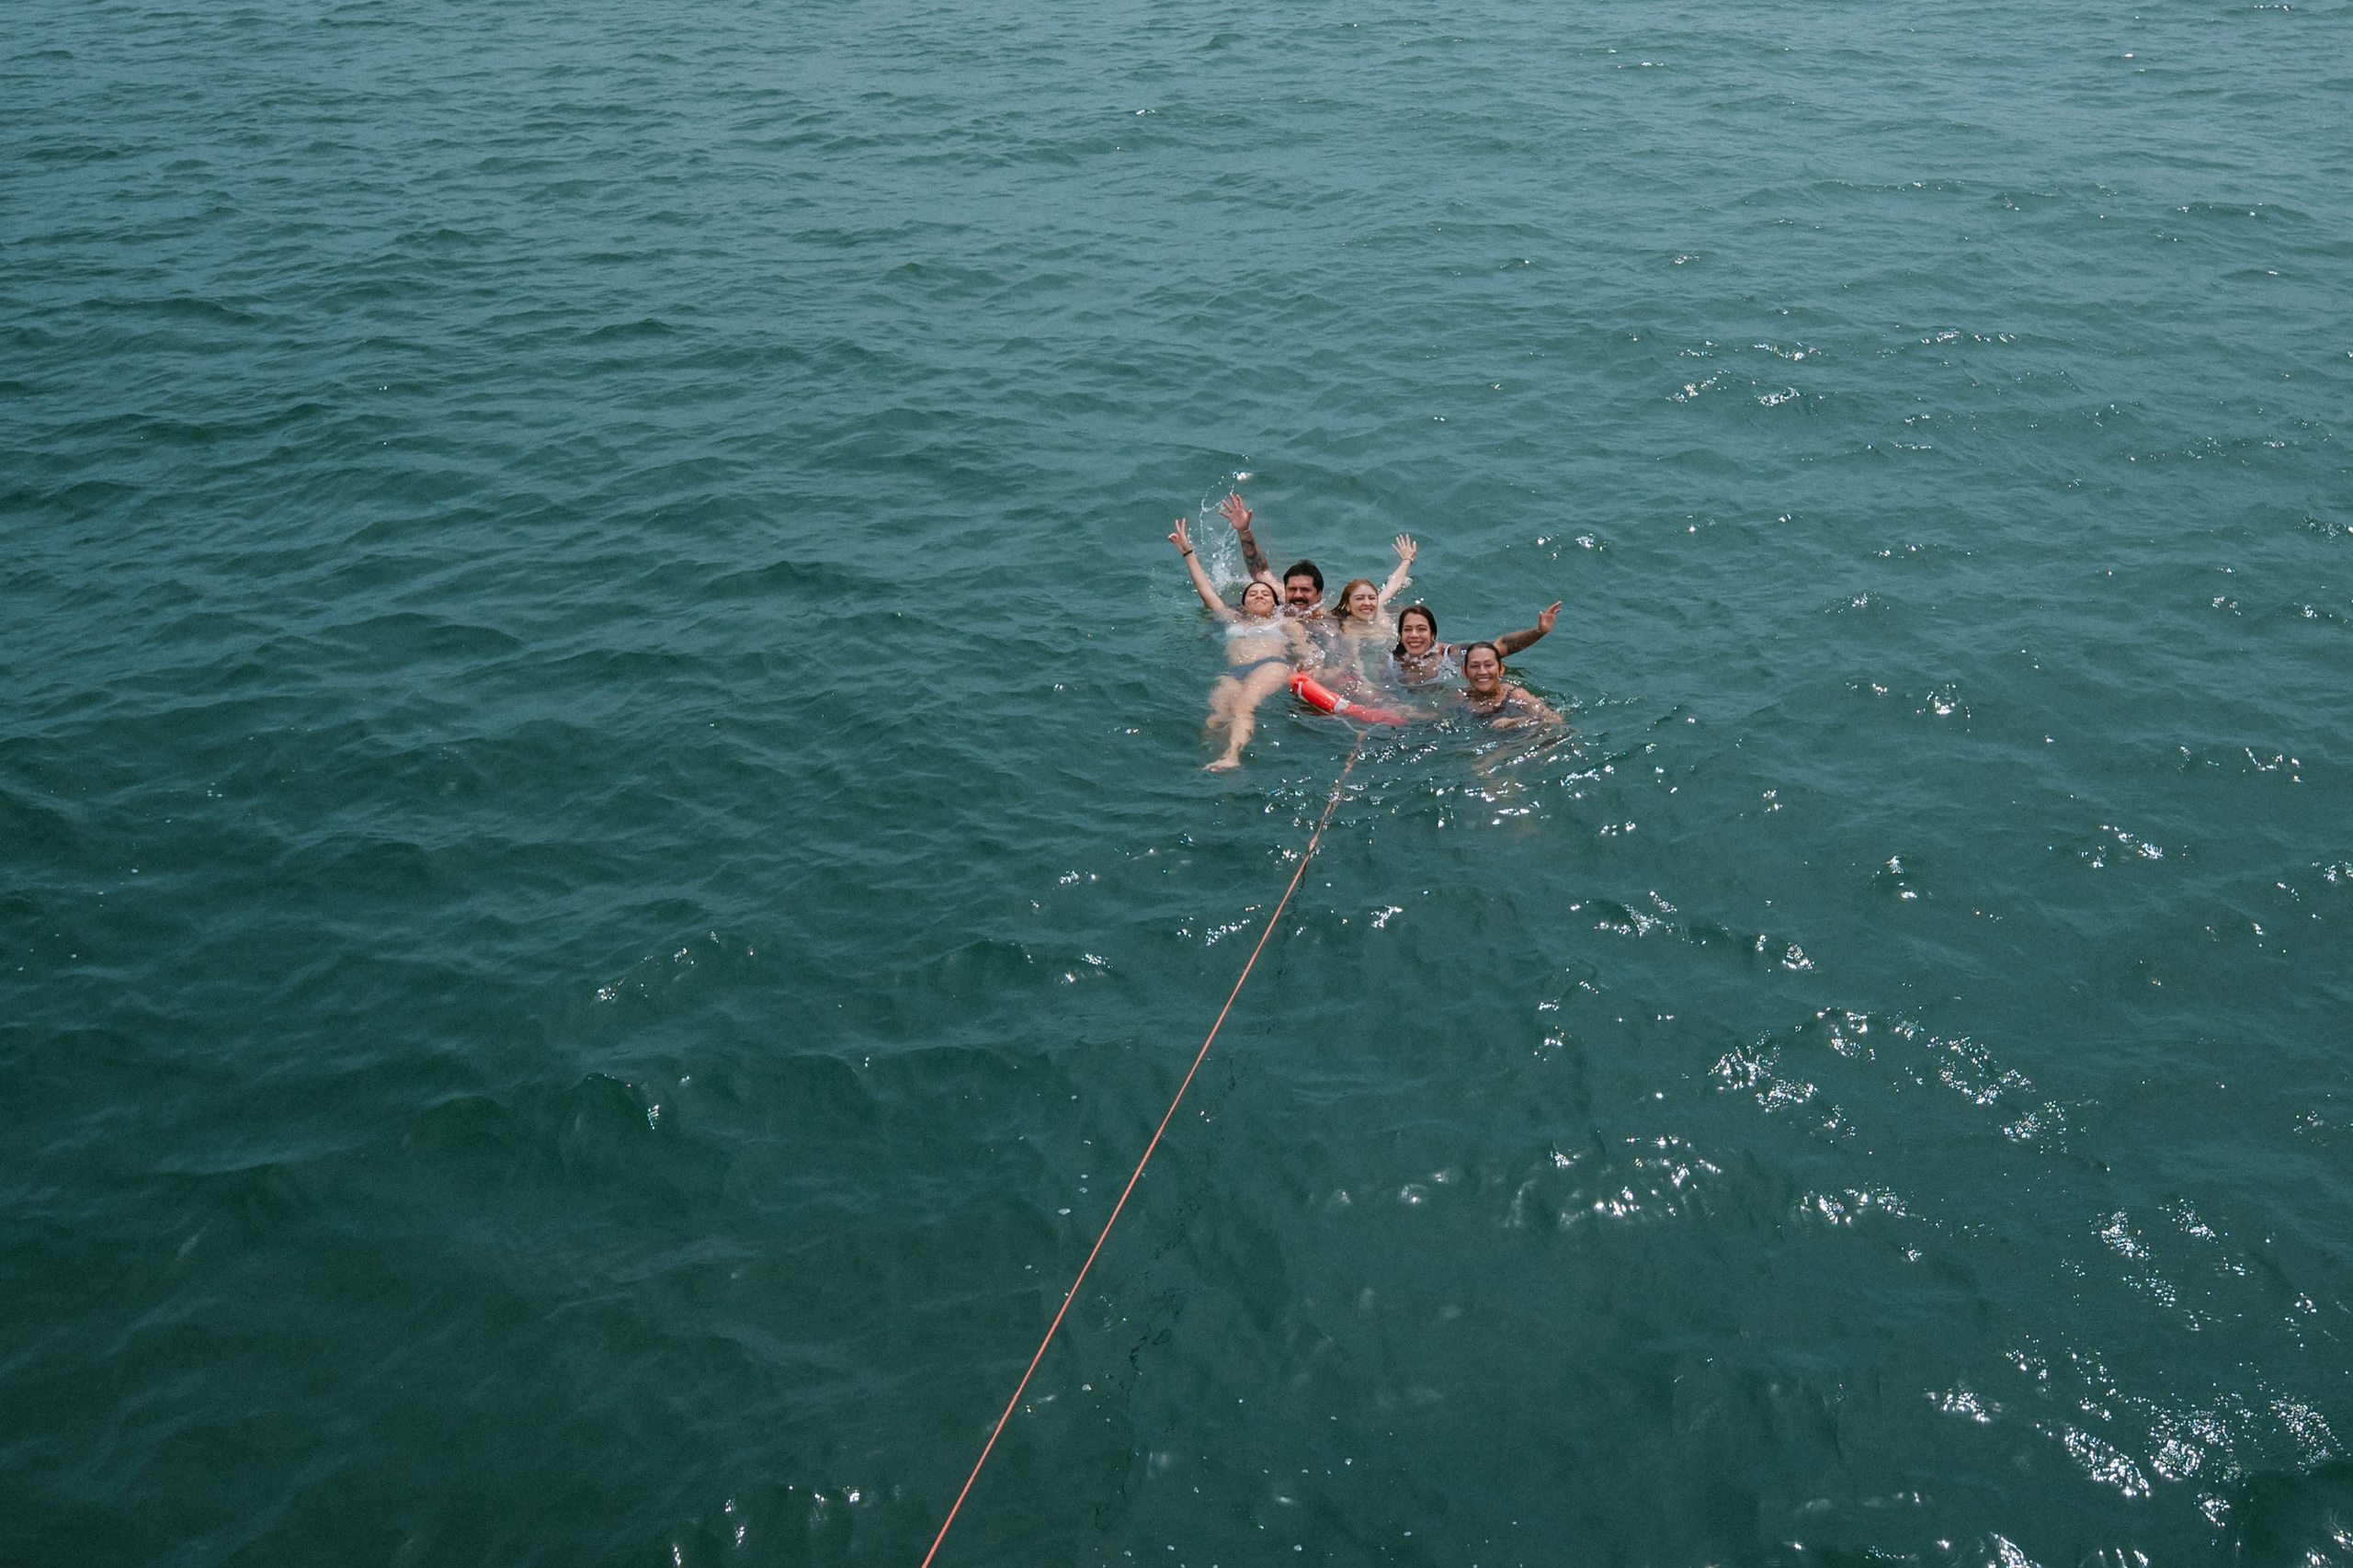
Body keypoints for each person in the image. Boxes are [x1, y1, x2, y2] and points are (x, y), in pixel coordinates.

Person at [1170, 517, 1314, 770]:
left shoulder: (1285, 622)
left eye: (1265, 594)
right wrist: (1187, 552)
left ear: (1274, 603)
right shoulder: (1232, 618)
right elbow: (1207, 592)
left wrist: (1309, 666)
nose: (1258, 595)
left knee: (1242, 705)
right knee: (1214, 716)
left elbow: (1307, 649)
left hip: (1272, 665)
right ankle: (1214, 759)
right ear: (1244, 603)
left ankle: (1232, 757)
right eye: (1252, 594)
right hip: (1235, 671)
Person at [1392, 601, 1561, 687]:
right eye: (1408, 630)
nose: (1414, 635)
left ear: (1433, 634)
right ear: (1400, 634)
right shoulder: (1393, 662)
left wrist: (1539, 631)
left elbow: (1500, 646)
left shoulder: (1453, 653)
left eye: (1421, 629)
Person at [1459, 641, 1563, 729]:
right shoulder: (1461, 697)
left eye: (1488, 665)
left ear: (1501, 669)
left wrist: (1516, 722)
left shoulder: (1516, 695)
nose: (1482, 672)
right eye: (1474, 666)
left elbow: (1555, 720)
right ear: (1464, 672)